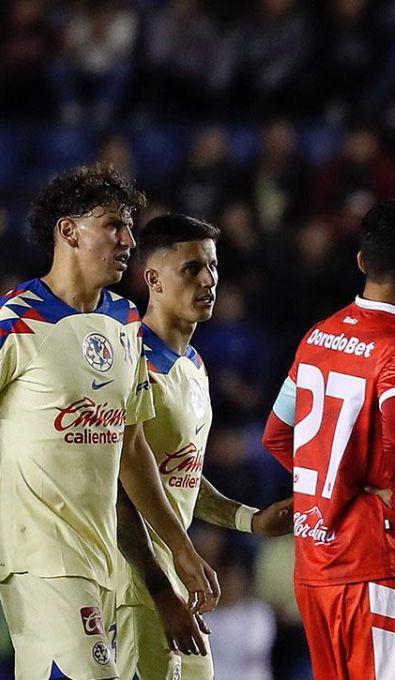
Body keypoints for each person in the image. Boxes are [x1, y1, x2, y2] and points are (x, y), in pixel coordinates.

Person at [0, 165, 218, 679]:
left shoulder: (125, 322)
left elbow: (133, 446)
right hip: (39, 558)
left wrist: (181, 551)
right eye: (114, 226)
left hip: (102, 561)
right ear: (69, 232)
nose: (129, 239)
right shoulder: (18, 320)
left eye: (130, 227)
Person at [262, 199, 395, 679]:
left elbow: (277, 436)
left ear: (362, 261)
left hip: (315, 568)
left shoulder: (317, 337)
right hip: (373, 565)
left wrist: (329, 484)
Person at [114, 214, 293, 680]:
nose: (208, 280)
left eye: (212, 267)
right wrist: (158, 587)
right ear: (152, 279)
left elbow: (181, 476)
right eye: (191, 269)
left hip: (175, 576)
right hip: (131, 582)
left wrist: (248, 519)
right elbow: (112, 489)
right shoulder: (127, 360)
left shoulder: (194, 364)